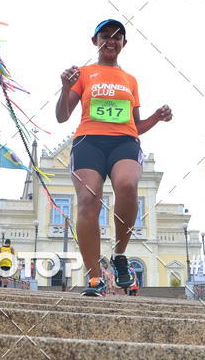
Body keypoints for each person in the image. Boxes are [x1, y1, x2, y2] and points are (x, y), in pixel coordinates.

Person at [56, 18, 172, 292]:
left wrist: (156, 117)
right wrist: (64, 87)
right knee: (88, 199)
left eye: (117, 37)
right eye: (105, 36)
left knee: (127, 185)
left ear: (124, 44)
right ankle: (95, 277)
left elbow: (136, 125)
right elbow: (62, 116)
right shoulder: (83, 73)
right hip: (89, 142)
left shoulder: (130, 80)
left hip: (124, 142)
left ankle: (120, 254)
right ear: (95, 41)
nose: (111, 40)